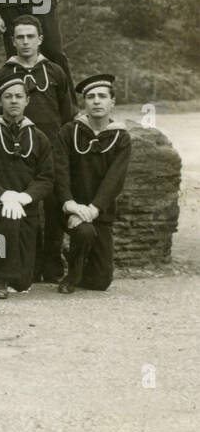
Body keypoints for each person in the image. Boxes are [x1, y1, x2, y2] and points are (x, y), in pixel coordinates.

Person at [0, 14, 72, 282]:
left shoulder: (55, 71)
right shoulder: (3, 73)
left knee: (54, 205)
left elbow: (67, 112)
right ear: (12, 41)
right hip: (19, 151)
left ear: (40, 39)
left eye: (30, 37)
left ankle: (52, 263)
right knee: (25, 205)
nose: (25, 42)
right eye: (20, 37)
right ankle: (30, 263)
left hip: (52, 148)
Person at [0, 73, 55, 299]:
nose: (13, 101)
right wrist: (3, 195)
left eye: (19, 96)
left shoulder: (39, 137)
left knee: (22, 283)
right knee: (2, 236)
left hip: (26, 209)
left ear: (27, 101)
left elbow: (46, 177)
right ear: (0, 101)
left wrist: (25, 197)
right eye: (8, 96)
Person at [53, 74, 132, 294]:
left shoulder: (121, 138)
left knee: (101, 281)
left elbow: (114, 179)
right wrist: (70, 203)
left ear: (112, 102)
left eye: (102, 96)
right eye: (90, 97)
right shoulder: (70, 131)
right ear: (84, 102)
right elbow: (60, 171)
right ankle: (73, 273)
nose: (96, 101)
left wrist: (93, 209)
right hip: (69, 207)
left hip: (99, 211)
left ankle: (82, 260)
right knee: (84, 232)